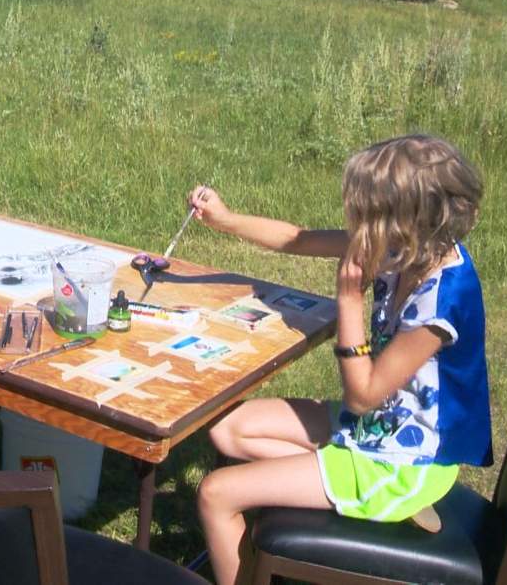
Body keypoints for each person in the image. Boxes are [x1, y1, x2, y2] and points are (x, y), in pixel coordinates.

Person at [189, 134, 491, 585]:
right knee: (227, 428)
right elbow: (298, 239)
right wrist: (225, 219)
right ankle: (327, 488)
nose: (357, 230)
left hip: (403, 464)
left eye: (367, 217)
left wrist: (348, 302)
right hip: (379, 428)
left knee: (216, 493)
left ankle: (356, 498)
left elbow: (364, 394)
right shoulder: (408, 247)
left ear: (408, 220)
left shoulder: (442, 304)